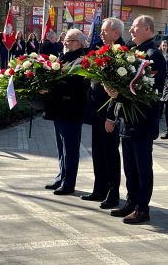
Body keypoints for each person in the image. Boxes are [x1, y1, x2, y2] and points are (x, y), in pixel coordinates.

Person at [106, 15, 166, 224]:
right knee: (130, 166)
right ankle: (131, 202)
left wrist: (119, 95)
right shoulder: (133, 52)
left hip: (142, 121)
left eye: (135, 27)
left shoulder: (154, 55)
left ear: (148, 29)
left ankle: (142, 208)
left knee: (142, 167)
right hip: (127, 121)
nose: (131, 31)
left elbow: (148, 89)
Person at [82, 18, 123, 209]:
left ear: (116, 32)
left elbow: (117, 91)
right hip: (96, 112)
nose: (102, 34)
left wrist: (111, 117)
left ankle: (113, 192)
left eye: (105, 31)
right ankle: (99, 189)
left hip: (109, 114)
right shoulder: (102, 49)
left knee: (110, 155)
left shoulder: (123, 53)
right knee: (98, 153)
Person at [43, 29, 89, 195]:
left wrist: (52, 89)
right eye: (65, 40)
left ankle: (69, 183)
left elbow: (76, 86)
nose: (65, 43)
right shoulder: (63, 57)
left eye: (69, 40)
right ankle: (61, 177)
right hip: (59, 109)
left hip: (71, 110)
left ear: (79, 43)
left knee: (70, 148)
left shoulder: (82, 60)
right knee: (61, 147)